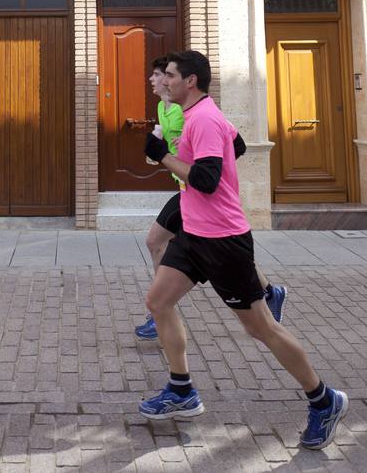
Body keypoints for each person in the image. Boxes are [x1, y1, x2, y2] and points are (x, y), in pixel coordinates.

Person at [140, 50, 348, 451]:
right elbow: (233, 147)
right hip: (194, 234)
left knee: (260, 328)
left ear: (190, 82)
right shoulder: (203, 116)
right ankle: (181, 390)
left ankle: (324, 400)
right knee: (158, 301)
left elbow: (206, 179)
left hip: (224, 242)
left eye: (169, 75)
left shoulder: (202, 118)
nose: (163, 80)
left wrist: (160, 155)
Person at [135, 56, 287, 341]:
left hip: (199, 193)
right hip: (186, 191)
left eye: (160, 74)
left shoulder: (194, 111)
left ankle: (160, 313)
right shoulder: (164, 107)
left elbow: (236, 144)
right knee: (215, 250)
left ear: (183, 80)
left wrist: (207, 168)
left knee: (157, 241)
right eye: (159, 75)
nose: (156, 80)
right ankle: (269, 292)